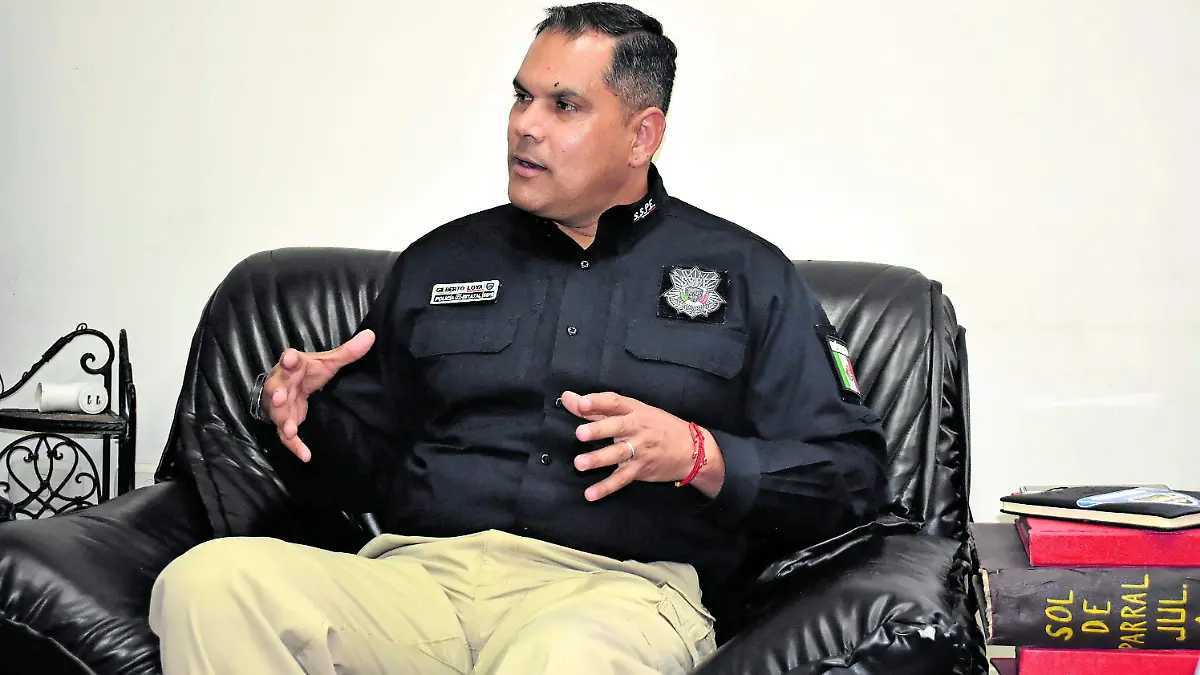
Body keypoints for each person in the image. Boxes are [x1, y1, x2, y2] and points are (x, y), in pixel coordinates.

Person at [147, 3, 888, 674]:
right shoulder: (439, 263)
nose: (525, 125)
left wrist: (699, 454)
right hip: (421, 583)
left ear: (642, 135)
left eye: (564, 105)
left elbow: (852, 477)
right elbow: (365, 470)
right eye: (521, 96)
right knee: (209, 583)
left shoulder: (748, 276)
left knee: (557, 660)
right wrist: (302, 414)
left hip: (617, 596)